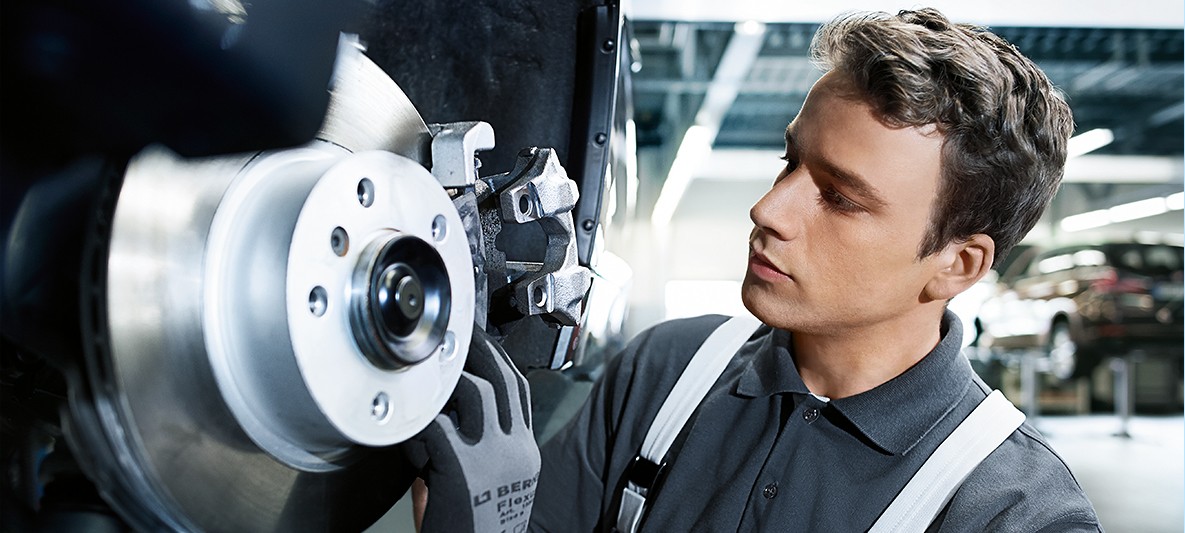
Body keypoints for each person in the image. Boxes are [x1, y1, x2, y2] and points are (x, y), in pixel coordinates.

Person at [526, 7, 1101, 532]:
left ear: (958, 263)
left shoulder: (1017, 512)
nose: (768, 210)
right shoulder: (665, 372)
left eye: (842, 198)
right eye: (790, 163)